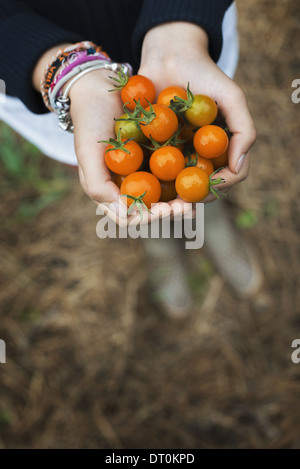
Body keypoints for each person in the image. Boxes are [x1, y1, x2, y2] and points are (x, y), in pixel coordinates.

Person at [0, 0, 262, 317]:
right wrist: (65, 71)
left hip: (188, 42)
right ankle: (157, 238)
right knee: (108, 171)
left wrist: (181, 22)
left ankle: (211, 219)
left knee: (207, 162)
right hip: (61, 86)